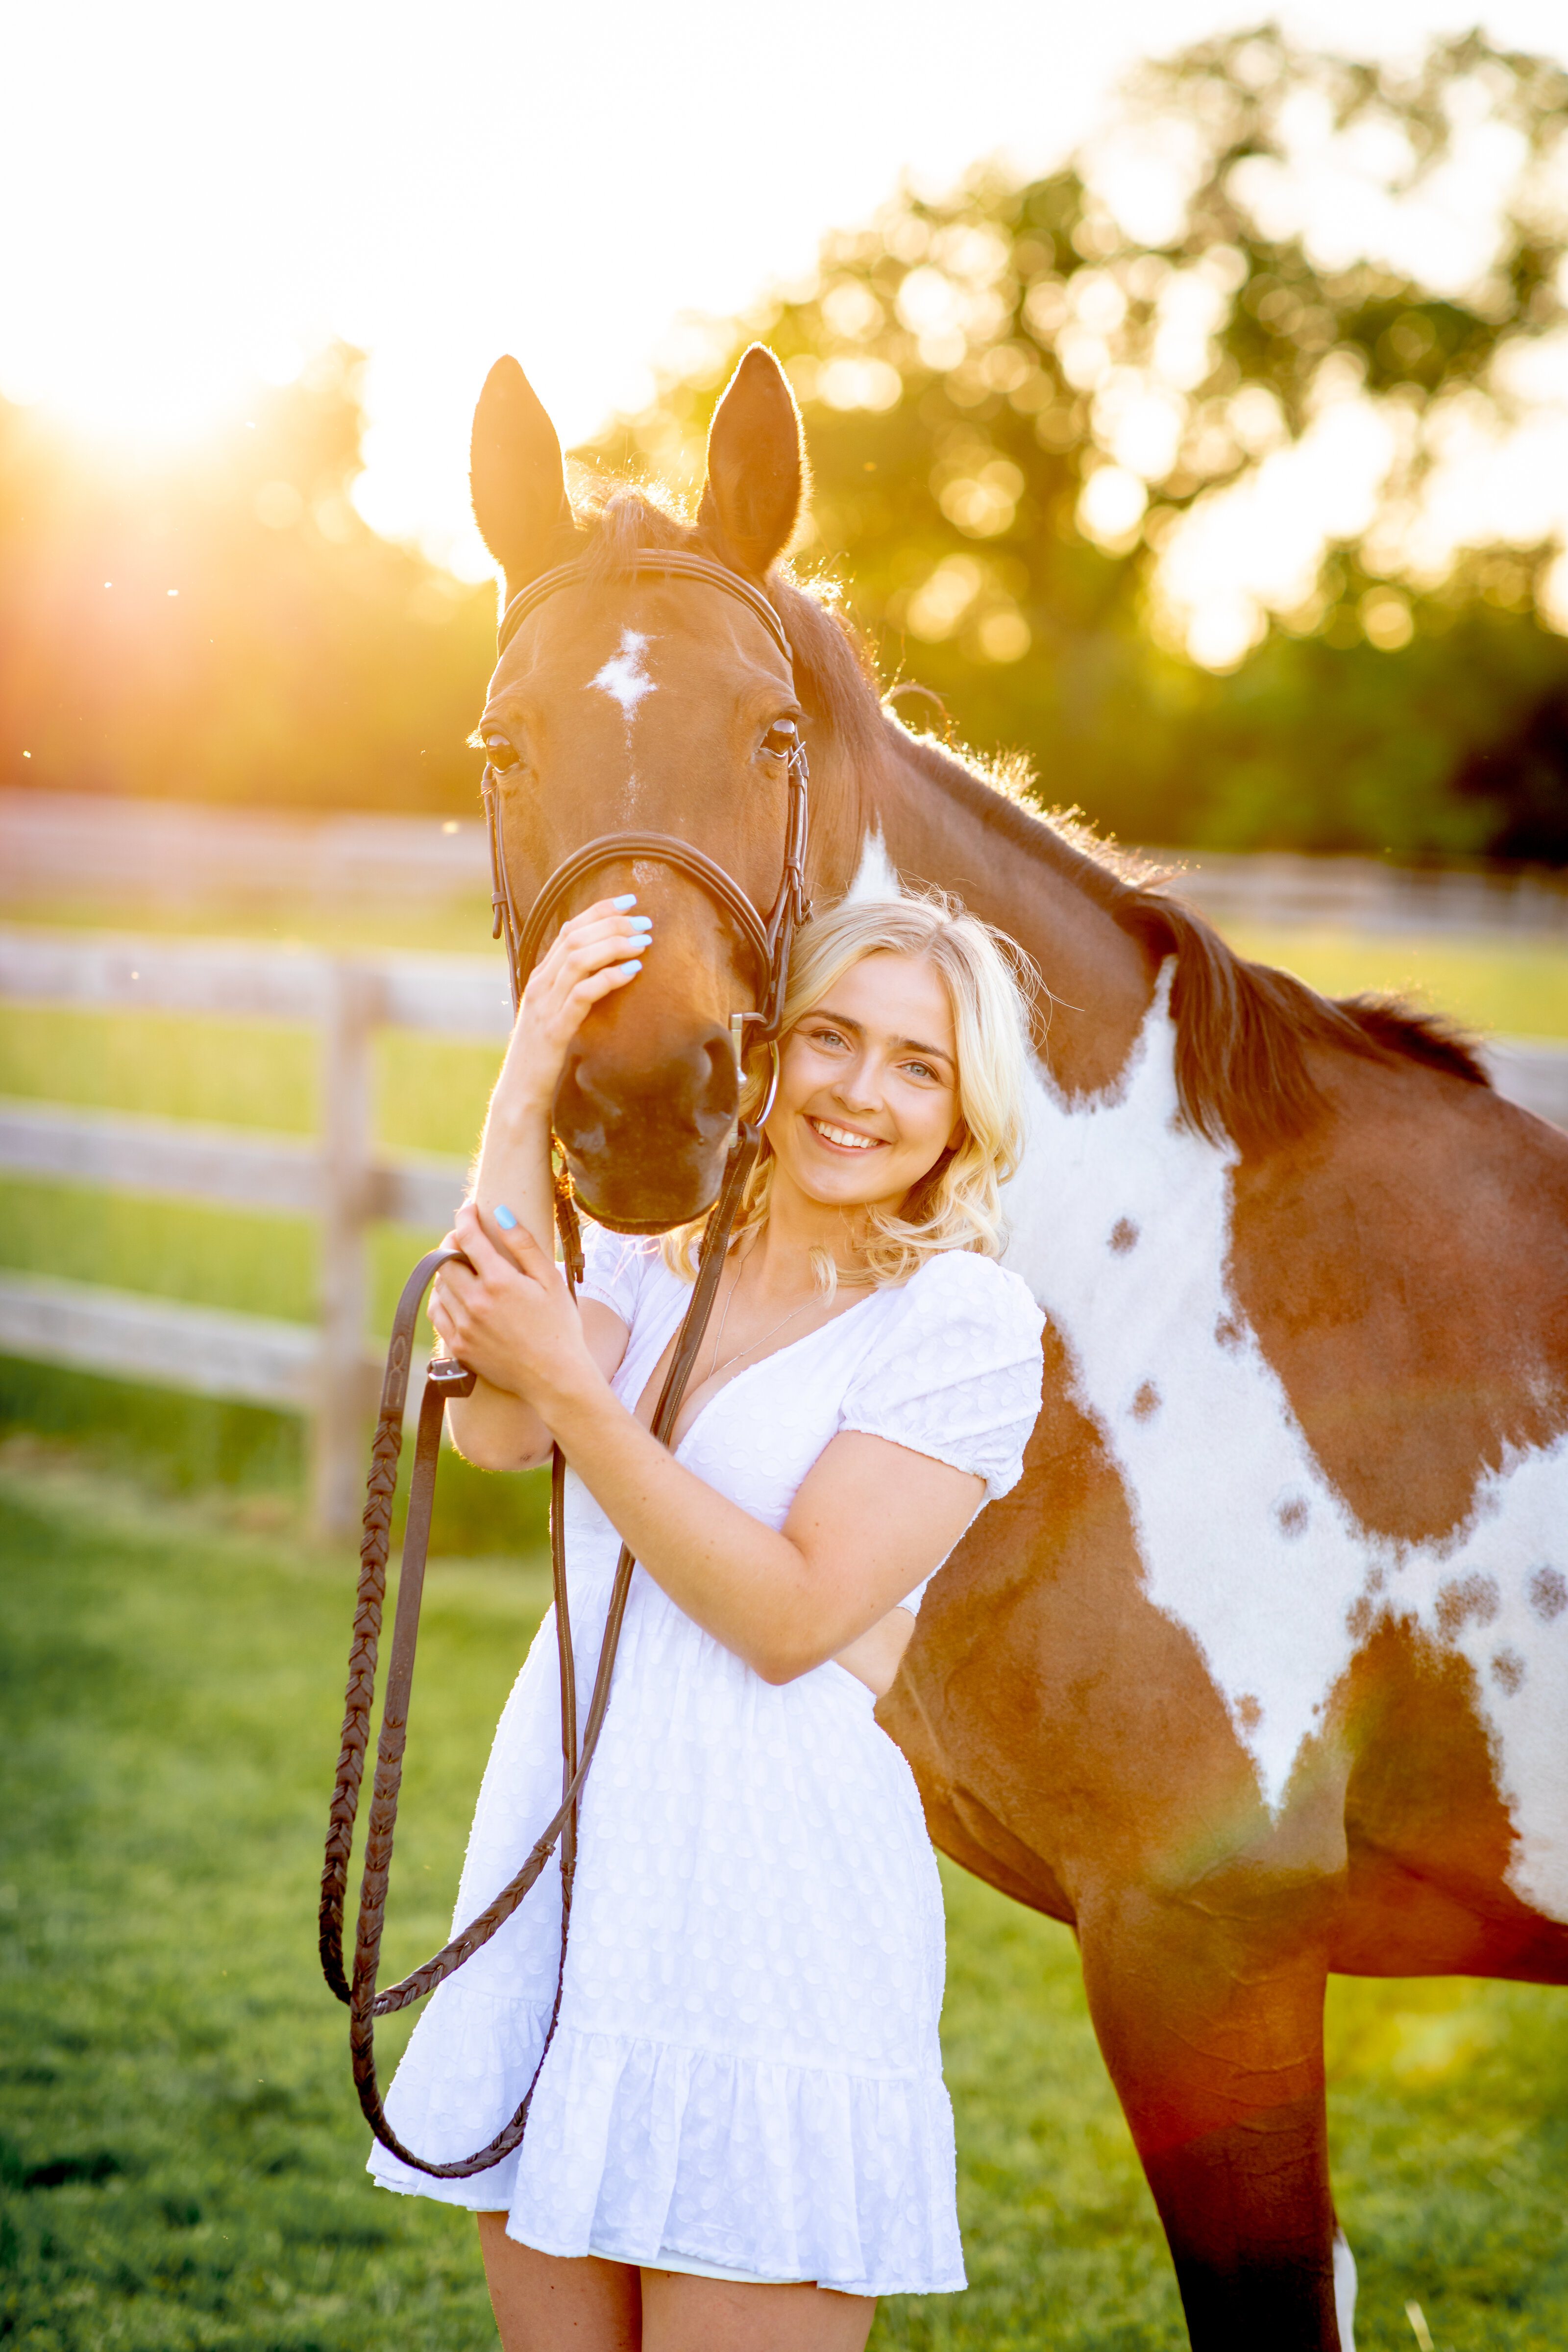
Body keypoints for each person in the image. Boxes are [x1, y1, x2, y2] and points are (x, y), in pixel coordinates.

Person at [368, 891, 1046, 2352]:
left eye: (918, 1065)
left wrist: (578, 1397)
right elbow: (491, 1427)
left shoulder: (963, 1325)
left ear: (963, 1111)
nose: (862, 1093)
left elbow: (795, 1614)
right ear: (768, 1050)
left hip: (773, 1898)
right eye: (831, 1039)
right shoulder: (646, 1254)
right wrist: (528, 1071)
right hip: (580, 1844)